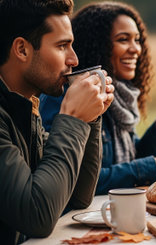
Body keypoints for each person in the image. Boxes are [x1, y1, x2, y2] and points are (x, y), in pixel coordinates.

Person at [39, 1, 156, 195]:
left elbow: (129, 159)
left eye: (137, 40)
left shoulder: (119, 97)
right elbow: (75, 180)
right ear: (98, 45)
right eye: (123, 39)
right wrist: (152, 167)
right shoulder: (68, 97)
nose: (136, 49)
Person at [0, 0, 114, 243]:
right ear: (21, 49)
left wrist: (89, 120)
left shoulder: (26, 107)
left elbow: (78, 197)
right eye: (62, 46)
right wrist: (72, 118)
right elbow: (37, 216)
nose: (74, 59)